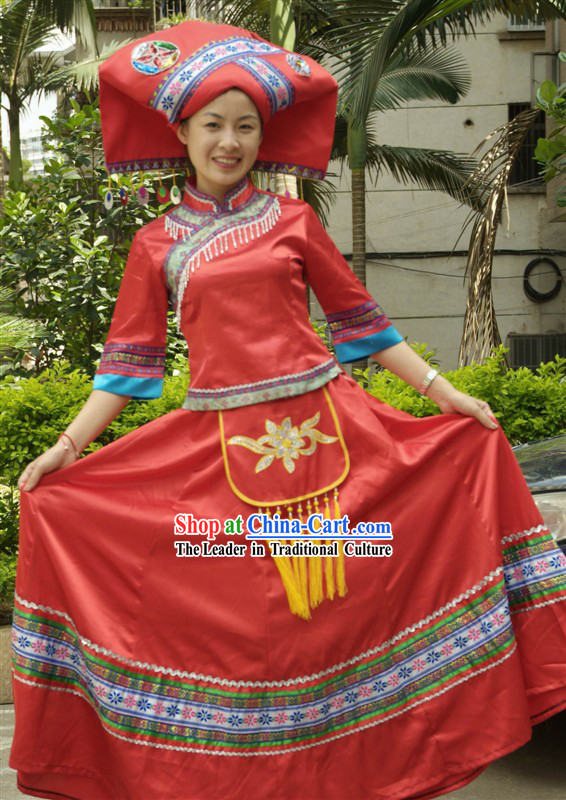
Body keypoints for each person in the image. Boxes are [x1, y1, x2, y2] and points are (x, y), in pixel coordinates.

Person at [10, 19, 566, 800]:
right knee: (244, 623)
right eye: (214, 126)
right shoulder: (155, 245)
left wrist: (445, 395)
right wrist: (67, 446)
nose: (230, 141)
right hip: (217, 451)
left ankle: (363, 767)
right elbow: (127, 367)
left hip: (336, 430)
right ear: (182, 132)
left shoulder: (293, 222)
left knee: (346, 612)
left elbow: (364, 328)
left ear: (261, 138)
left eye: (245, 127)